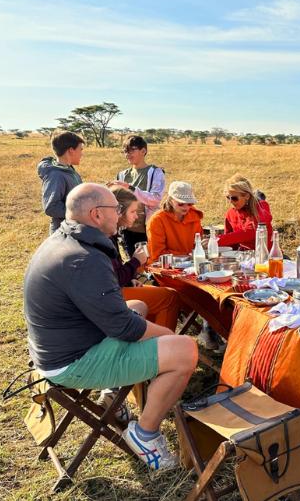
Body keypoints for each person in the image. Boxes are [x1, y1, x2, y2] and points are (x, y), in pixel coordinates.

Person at [23, 183, 198, 470]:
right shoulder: (84, 258)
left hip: (61, 346)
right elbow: (124, 328)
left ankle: (114, 389)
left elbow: (118, 313)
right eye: (115, 210)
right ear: (95, 214)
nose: (119, 215)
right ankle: (145, 434)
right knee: (185, 350)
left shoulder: (66, 239)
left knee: (138, 307)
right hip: (72, 362)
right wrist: (167, 335)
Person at [110, 187, 181, 331]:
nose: (136, 216)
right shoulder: (105, 236)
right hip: (110, 296)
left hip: (113, 290)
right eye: (133, 212)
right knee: (170, 297)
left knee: (160, 294)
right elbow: (112, 278)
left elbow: (111, 273)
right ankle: (160, 345)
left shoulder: (109, 233)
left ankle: (147, 338)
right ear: (119, 212)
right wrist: (135, 261)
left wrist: (129, 280)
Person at [108, 135, 166, 256]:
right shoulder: (122, 175)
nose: (127, 154)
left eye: (131, 150)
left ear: (143, 151)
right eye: (125, 151)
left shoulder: (155, 172)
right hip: (127, 229)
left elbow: (155, 199)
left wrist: (130, 188)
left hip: (147, 227)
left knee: (150, 262)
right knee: (132, 263)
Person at [37, 131, 85, 234]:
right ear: (71, 150)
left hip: (72, 229)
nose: (82, 153)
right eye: (80, 149)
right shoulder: (56, 175)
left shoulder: (68, 169)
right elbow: (51, 207)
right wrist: (80, 212)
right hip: (62, 233)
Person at [146, 181, 204, 264]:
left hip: (190, 263)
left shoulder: (194, 216)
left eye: (189, 204)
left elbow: (198, 245)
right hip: (165, 267)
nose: (186, 207)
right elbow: (157, 254)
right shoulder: (157, 220)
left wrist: (204, 244)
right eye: (181, 204)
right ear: (170, 200)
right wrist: (187, 256)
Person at [217, 174, 273, 250]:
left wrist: (217, 240)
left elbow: (251, 232)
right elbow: (230, 245)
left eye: (234, 198)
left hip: (267, 256)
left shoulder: (261, 207)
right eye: (228, 197)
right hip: (245, 257)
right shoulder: (230, 213)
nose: (230, 201)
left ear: (247, 196)